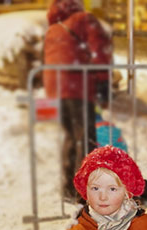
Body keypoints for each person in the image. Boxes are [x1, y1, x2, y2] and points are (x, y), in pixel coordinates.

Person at [43, 0, 112, 200]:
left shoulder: (54, 28)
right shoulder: (85, 20)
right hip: (77, 86)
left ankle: (68, 188)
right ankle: (83, 190)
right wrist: (103, 82)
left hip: (56, 90)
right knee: (85, 138)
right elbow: (99, 52)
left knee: (71, 138)